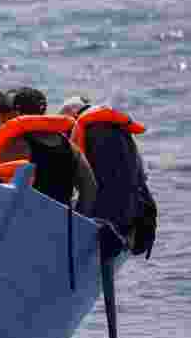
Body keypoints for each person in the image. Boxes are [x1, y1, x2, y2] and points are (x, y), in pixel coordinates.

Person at [61, 98, 156, 257]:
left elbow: (86, 184)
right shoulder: (120, 129)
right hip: (131, 220)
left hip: (107, 225)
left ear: (72, 115)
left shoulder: (89, 130)